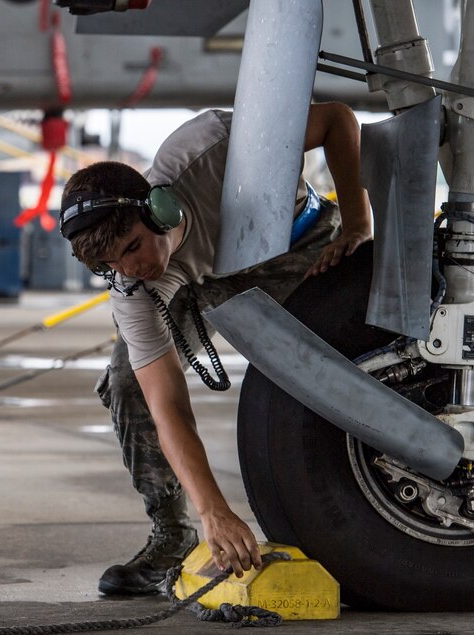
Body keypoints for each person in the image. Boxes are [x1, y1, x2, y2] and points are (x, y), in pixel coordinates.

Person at [58, 102, 372, 595]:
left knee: (359, 338)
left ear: (158, 209)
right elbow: (169, 411)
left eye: (134, 246)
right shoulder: (133, 288)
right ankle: (172, 537)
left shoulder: (211, 148)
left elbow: (337, 119)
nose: (128, 268)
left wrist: (357, 222)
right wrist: (214, 512)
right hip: (197, 280)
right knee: (128, 383)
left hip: (297, 244)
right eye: (110, 265)